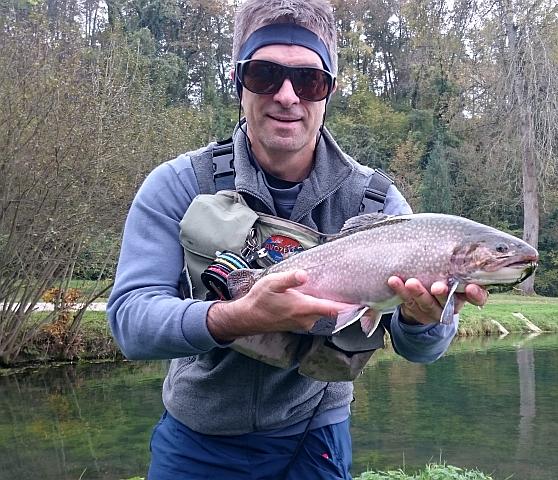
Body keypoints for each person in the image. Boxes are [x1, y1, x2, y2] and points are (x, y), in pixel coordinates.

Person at [107, 0, 487, 478]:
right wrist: (239, 316)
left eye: (309, 81)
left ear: (329, 91)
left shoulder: (376, 201)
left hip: (316, 435)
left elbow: (422, 351)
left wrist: (423, 320)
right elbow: (130, 322)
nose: (287, 96)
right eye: (265, 75)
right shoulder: (179, 184)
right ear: (238, 82)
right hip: (197, 438)